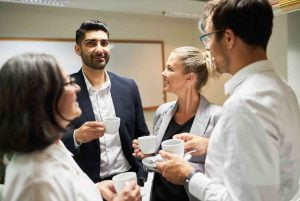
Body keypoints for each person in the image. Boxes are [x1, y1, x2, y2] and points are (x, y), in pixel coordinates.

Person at [155, 0, 300, 201]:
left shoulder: (245, 103)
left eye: (208, 37)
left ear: (228, 38)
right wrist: (212, 145)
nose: (208, 49)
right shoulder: (282, 88)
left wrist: (188, 176)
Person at [0, 53, 141, 201]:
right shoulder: (34, 179)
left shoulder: (53, 145)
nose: (77, 88)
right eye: (67, 83)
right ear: (40, 99)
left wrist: (94, 190)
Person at [61, 20, 149, 184]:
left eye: (104, 43)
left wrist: (143, 156)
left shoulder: (128, 86)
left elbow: (141, 133)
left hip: (129, 178)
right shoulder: (63, 88)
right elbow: (50, 140)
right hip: (87, 184)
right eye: (91, 43)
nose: (99, 49)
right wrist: (76, 136)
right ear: (77, 49)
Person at [132, 46, 222, 201]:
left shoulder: (219, 117)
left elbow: (222, 173)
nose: (163, 73)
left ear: (189, 78)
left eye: (170, 69)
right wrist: (151, 155)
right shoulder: (162, 112)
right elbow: (162, 159)